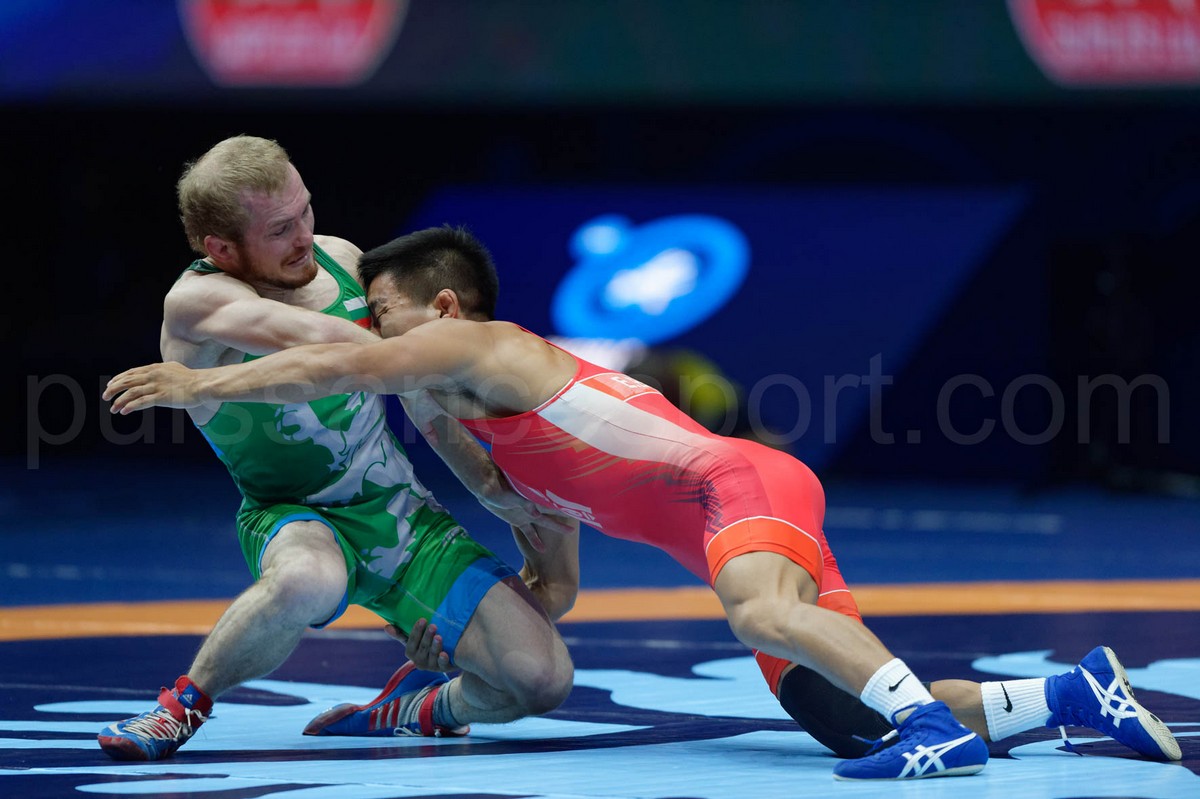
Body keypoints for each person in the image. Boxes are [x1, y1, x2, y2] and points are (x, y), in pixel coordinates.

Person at [105, 226, 1182, 779]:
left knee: (761, 613)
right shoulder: (502, 455)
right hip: (742, 507)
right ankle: (1072, 694)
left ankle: (933, 732)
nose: (367, 330)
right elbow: (555, 587)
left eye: (380, 312)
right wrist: (468, 636)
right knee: (841, 717)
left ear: (441, 309)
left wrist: (201, 383)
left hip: (739, 484)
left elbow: (336, 368)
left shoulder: (488, 345)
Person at [96, 142, 575, 762]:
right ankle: (181, 708)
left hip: (400, 515)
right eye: (279, 229)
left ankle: (418, 709)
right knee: (307, 579)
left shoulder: (343, 259)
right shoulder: (197, 302)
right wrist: (446, 355)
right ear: (222, 248)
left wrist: (489, 486)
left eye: (305, 211)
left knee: (544, 679)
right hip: (291, 513)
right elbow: (318, 337)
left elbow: (416, 394)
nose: (305, 238)